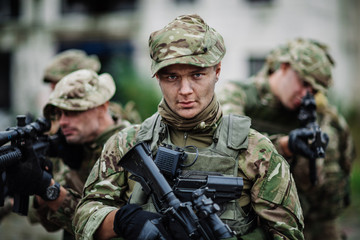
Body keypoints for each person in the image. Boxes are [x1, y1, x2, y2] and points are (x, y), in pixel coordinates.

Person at [73, 14, 304, 240]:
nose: (185, 90)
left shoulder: (256, 150)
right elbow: (84, 217)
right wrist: (121, 221)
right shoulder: (127, 143)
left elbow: (288, 233)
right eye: (172, 77)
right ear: (158, 78)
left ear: (217, 72)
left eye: (197, 75)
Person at [218, 38, 356, 240]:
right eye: (304, 83)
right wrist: (285, 146)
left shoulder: (322, 117)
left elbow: (329, 179)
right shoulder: (238, 95)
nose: (306, 94)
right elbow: (229, 144)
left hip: (312, 222)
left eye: (315, 90)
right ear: (284, 67)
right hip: (255, 221)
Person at [6, 69, 132, 238]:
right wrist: (39, 187)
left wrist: (48, 188)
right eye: (60, 114)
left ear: (102, 107)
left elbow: (112, 228)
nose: (63, 122)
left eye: (74, 112)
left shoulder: (129, 149)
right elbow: (50, 223)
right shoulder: (78, 146)